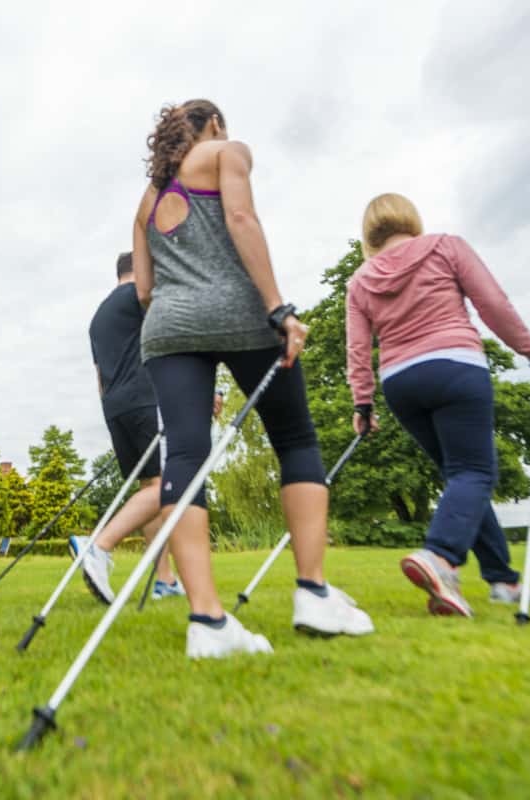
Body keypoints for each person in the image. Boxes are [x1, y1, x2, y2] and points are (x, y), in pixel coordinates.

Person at [133, 99, 374, 659]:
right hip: (240, 317)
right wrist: (278, 309)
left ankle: (208, 622)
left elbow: (143, 289)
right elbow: (241, 219)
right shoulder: (227, 152)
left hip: (168, 330)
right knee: (295, 439)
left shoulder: (148, 197)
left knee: (187, 456)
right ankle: (312, 591)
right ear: (214, 124)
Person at [346, 193, 530, 617]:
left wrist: (363, 403)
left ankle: (502, 579)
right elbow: (493, 305)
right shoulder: (447, 246)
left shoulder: (360, 280)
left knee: (460, 476)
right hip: (455, 366)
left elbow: (357, 349)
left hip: (401, 383)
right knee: (474, 472)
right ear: (411, 217)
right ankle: (440, 557)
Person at [76, 252, 191, 603]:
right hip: (145, 400)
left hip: (114, 407)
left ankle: (165, 579)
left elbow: (100, 377)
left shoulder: (98, 317)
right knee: (169, 486)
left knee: (151, 488)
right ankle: (98, 546)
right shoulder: (141, 294)